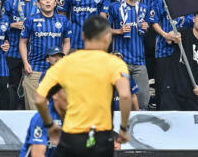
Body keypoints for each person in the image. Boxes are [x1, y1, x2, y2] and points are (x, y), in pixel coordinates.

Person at [35, 15, 132, 156]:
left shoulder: (66, 62)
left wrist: (50, 125)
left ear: (82, 36)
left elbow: (39, 99)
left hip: (71, 136)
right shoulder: (115, 63)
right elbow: (125, 95)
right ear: (108, 37)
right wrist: (123, 128)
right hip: (101, 138)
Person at [21, 0, 72, 110]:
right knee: (34, 111)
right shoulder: (30, 20)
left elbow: (67, 41)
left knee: (55, 109)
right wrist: (26, 63)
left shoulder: (63, 20)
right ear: (38, 3)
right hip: (34, 70)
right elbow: (23, 42)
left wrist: (62, 59)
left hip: (56, 71)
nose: (47, 2)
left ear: (55, 2)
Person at [107, 0, 150, 110]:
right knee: (120, 102)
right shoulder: (114, 7)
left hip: (139, 62)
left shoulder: (144, 8)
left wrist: (146, 27)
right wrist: (118, 31)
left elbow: (146, 31)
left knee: (143, 101)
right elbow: (103, 29)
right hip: (121, 61)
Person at [163, 10, 198, 111]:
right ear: (194, 18)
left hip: (193, 95)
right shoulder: (183, 33)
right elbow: (169, 37)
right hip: (173, 91)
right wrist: (172, 36)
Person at [20, 82, 66, 157]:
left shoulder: (76, 116)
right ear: (55, 95)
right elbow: (37, 155)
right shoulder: (42, 117)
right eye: (67, 92)